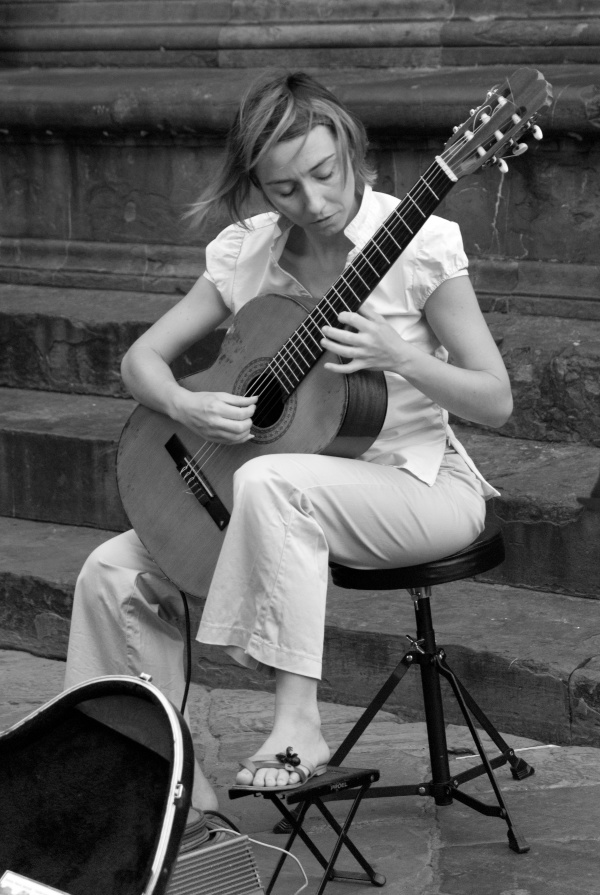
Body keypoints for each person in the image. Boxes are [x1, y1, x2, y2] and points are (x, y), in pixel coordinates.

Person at [65, 71, 512, 799]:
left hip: (419, 486)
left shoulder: (421, 245)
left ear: (350, 148)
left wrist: (402, 358)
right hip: (278, 490)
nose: (315, 202)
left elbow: (496, 400)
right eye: (285, 189)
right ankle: (155, 788)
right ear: (258, 188)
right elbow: (139, 360)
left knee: (271, 482)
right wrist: (186, 404)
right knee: (111, 572)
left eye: (324, 173)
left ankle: (298, 720)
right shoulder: (247, 251)